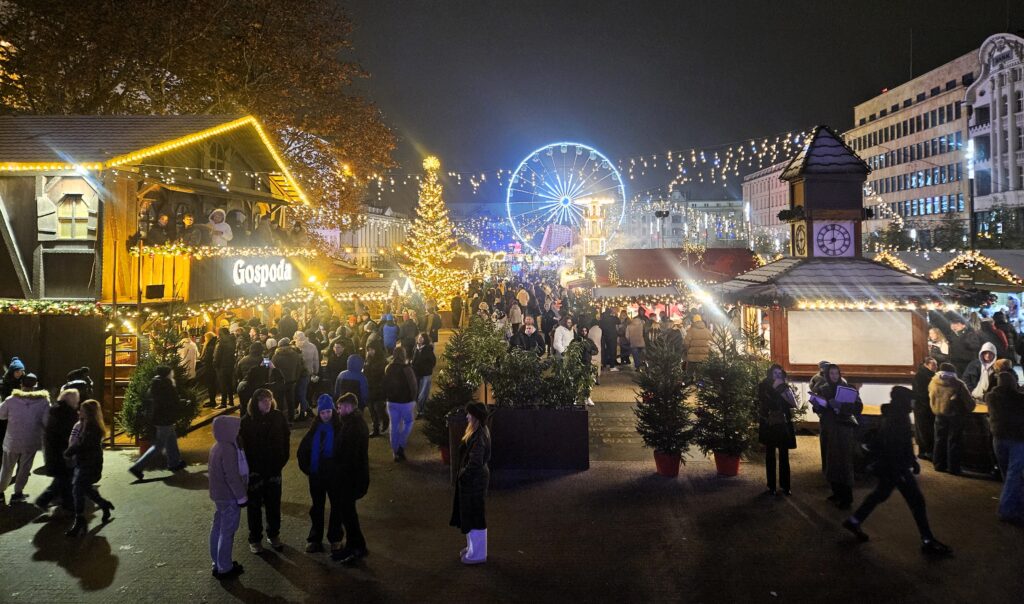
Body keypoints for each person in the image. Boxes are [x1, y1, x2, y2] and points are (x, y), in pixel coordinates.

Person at [842, 387, 952, 555]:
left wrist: (911, 460)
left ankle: (854, 520)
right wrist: (907, 464)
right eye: (910, 400)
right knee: (916, 501)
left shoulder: (893, 414)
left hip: (891, 466)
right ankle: (927, 540)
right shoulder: (898, 418)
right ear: (903, 401)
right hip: (896, 467)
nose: (913, 404)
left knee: (879, 494)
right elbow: (897, 445)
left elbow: (898, 443)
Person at [239, 388, 290, 553]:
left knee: (273, 504)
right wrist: (249, 469)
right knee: (254, 507)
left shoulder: (278, 416)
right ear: (255, 402)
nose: (266, 403)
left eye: (269, 399)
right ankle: (255, 538)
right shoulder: (246, 421)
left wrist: (282, 460)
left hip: (274, 469)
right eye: (263, 400)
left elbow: (286, 438)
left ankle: (274, 534)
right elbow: (242, 447)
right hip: (255, 471)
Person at [297, 395, 344, 555]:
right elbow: (302, 451)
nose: (326, 415)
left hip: (335, 476)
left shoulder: (340, 429)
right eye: (323, 412)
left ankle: (335, 538)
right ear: (319, 413)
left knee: (336, 506)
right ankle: (315, 538)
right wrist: (308, 469)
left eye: (328, 411)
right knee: (317, 507)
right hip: (317, 476)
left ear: (333, 411)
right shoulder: (313, 430)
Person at [811, 364, 862, 509]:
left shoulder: (848, 388)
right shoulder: (823, 389)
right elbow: (817, 408)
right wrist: (817, 404)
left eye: (836, 373)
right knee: (830, 460)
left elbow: (858, 406)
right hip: (828, 428)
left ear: (839, 374)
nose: (834, 376)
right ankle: (836, 492)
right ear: (827, 375)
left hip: (843, 429)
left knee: (843, 463)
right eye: (831, 373)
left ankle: (846, 498)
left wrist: (840, 406)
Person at [64, 400, 115, 537]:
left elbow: (83, 444)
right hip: (84, 462)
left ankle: (79, 520)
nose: (79, 411)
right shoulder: (85, 424)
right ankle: (104, 505)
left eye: (82, 409)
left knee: (77, 489)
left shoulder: (92, 428)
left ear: (88, 413)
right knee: (84, 488)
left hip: (90, 464)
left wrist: (69, 452)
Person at [330, 393, 371, 564]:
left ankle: (357, 548)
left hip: (350, 478)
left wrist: (339, 471)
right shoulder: (352, 423)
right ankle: (353, 545)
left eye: (340, 408)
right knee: (347, 513)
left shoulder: (353, 427)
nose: (338, 411)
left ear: (349, 407)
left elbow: (350, 456)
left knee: (348, 514)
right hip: (351, 477)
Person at [450, 402, 492, 565]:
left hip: (474, 481)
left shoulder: (479, 435)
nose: (467, 416)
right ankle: (472, 549)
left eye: (469, 414)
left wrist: (463, 474)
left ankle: (478, 554)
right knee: (471, 514)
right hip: (474, 480)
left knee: (475, 515)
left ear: (475, 417)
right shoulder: (479, 431)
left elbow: (475, 462)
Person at [129, 365, 186, 480]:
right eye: (171, 372)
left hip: (159, 417)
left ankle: (174, 463)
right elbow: (172, 401)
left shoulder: (156, 383)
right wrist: (183, 402)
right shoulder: (167, 384)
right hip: (165, 418)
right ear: (168, 373)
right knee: (159, 445)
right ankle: (137, 467)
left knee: (171, 439)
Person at [208, 415, 248, 579]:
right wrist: (242, 497)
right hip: (229, 497)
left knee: (218, 528)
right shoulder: (228, 449)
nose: (238, 431)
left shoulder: (216, 447)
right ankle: (225, 567)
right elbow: (232, 476)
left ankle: (217, 562)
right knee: (227, 531)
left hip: (219, 496)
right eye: (236, 428)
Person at [0, 373, 48, 505]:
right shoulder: (43, 402)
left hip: (12, 440)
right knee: (25, 468)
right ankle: (18, 493)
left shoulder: (11, 400)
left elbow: (1, 415)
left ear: (21, 385)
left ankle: (0, 493)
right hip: (30, 441)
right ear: (35, 386)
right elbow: (46, 421)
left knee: (6, 467)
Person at [984, 371, 1024, 523]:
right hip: (1018, 439)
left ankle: (1016, 504)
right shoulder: (1020, 398)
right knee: (1014, 474)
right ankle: (1006, 510)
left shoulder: (991, 397)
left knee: (1008, 474)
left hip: (998, 439)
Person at [34, 388, 80, 512]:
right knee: (64, 478)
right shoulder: (68, 413)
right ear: (71, 399)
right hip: (62, 452)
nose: (78, 401)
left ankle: (66, 504)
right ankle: (45, 500)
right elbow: (67, 434)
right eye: (76, 399)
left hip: (54, 451)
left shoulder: (56, 410)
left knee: (63, 478)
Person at [928, 362, 975, 475]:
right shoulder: (958, 384)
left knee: (939, 439)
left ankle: (939, 465)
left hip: (939, 414)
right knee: (954, 441)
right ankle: (954, 467)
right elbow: (969, 403)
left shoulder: (934, 381)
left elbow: (931, 396)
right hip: (955, 416)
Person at [758, 365, 797, 496]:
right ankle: (771, 486)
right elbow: (767, 403)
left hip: (783, 423)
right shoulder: (763, 385)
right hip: (769, 423)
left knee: (784, 455)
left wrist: (785, 393)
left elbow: (792, 404)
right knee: (770, 455)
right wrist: (775, 389)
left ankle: (786, 486)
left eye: (779, 373)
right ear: (770, 373)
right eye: (775, 373)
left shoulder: (784, 386)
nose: (777, 375)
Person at [383, 347, 418, 462]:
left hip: (391, 401)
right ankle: (401, 446)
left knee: (393, 426)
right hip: (406, 402)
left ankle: (395, 451)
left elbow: (385, 384)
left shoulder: (388, 368)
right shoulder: (407, 368)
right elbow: (413, 386)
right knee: (409, 422)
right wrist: (414, 399)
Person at [912, 357, 938, 460]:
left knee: (925, 430)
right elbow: (921, 393)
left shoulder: (928, 375)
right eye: (933, 365)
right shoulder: (922, 376)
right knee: (924, 430)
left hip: (924, 407)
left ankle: (926, 451)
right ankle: (925, 452)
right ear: (927, 365)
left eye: (936, 364)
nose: (936, 367)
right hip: (923, 407)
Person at [271, 338, 302, 421]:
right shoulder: (295, 354)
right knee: (290, 401)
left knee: (279, 402)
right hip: (291, 381)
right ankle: (291, 418)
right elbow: (299, 368)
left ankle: (281, 419)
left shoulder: (276, 357)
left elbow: (272, 370)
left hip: (280, 382)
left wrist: (272, 381)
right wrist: (296, 378)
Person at [293, 331, 320, 420]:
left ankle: (305, 412)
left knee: (300, 394)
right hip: (308, 374)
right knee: (304, 394)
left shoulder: (295, 347)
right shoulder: (312, 346)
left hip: (296, 374)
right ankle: (304, 412)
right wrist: (316, 371)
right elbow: (316, 360)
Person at [364, 347, 389, 437]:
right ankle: (376, 429)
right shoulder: (368, 359)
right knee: (371, 409)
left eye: (371, 349)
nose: (369, 351)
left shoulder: (383, 361)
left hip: (379, 389)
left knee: (379, 409)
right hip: (370, 388)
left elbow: (385, 376)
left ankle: (385, 419)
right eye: (368, 350)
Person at [412, 333, 437, 417]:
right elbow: (414, 359)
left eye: (422, 338)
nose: (420, 339)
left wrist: (427, 368)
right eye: (419, 337)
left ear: (425, 339)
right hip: (417, 374)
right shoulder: (416, 348)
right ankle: (422, 409)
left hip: (426, 374)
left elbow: (433, 361)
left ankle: (421, 411)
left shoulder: (428, 349)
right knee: (417, 393)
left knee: (423, 394)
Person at [214, 326, 237, 408]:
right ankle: (231, 401)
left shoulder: (221, 342)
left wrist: (215, 364)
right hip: (230, 365)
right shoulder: (232, 340)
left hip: (222, 366)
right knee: (229, 383)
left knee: (223, 384)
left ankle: (223, 403)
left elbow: (217, 355)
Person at [198, 332, 218, 408]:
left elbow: (208, 358)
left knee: (210, 385)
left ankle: (212, 401)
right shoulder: (213, 344)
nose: (205, 339)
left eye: (206, 338)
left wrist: (202, 359)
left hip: (210, 368)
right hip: (212, 368)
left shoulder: (210, 346)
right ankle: (212, 400)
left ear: (208, 338)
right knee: (212, 385)